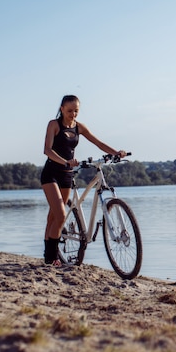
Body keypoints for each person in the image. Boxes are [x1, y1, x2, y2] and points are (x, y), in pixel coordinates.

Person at [40, 94, 126, 265]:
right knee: (60, 215)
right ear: (62, 109)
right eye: (70, 110)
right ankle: (52, 258)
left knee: (54, 217)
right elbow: (47, 150)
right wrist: (65, 161)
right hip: (51, 173)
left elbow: (98, 143)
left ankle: (48, 253)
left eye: (76, 111)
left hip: (67, 174)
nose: (73, 114)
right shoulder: (54, 125)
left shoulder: (79, 127)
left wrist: (116, 152)